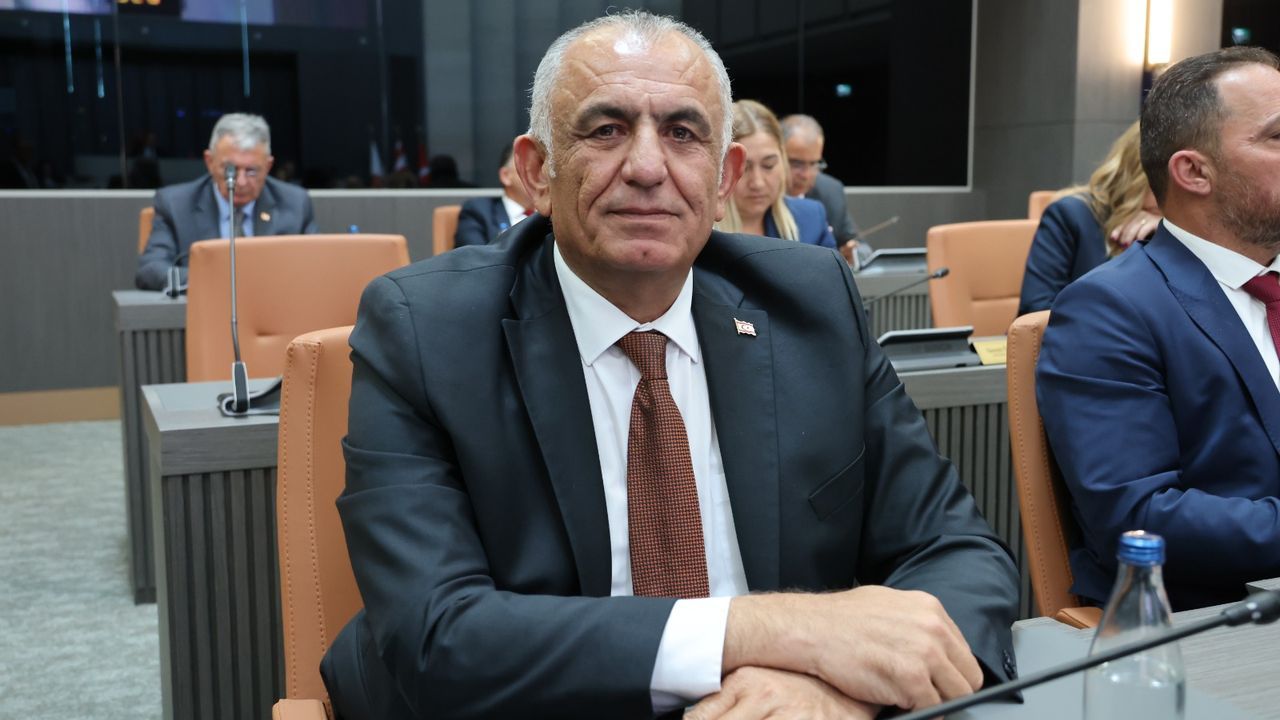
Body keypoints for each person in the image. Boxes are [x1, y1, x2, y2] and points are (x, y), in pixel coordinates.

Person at [322, 11, 1018, 719]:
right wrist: (772, 631)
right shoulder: (424, 331)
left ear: (725, 180)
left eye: (684, 133)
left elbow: (961, 554)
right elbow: (438, 637)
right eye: (606, 130)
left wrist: (831, 692)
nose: (648, 168)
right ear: (536, 173)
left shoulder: (811, 305)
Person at [1037, 47, 1280, 612]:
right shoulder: (1109, 309)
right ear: (1194, 172)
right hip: (1216, 620)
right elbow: (1140, 516)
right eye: (1277, 136)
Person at [134, 113, 317, 291]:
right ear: (210, 162)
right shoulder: (176, 204)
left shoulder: (295, 204)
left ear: (268, 166)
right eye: (231, 170)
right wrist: (219, 281)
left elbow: (317, 266)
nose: (241, 182)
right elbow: (151, 269)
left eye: (252, 170)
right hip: (207, 308)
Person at [1017, 121, 1162, 315]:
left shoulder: (1170, 228)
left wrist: (1165, 235)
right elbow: (1035, 310)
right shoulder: (1071, 215)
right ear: (1136, 175)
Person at [716, 100, 836, 250]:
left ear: (783, 160)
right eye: (744, 168)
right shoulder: (700, 228)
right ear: (721, 167)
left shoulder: (811, 220)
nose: (758, 183)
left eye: (769, 165)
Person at [780, 113, 873, 267]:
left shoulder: (830, 192)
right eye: (796, 164)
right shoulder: (758, 194)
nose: (806, 175)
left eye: (814, 164)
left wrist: (853, 253)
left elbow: (861, 247)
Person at [454, 144, 534, 247]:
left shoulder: (550, 214)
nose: (539, 176)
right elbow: (474, 255)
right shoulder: (478, 211)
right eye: (530, 169)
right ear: (505, 176)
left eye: (541, 169)